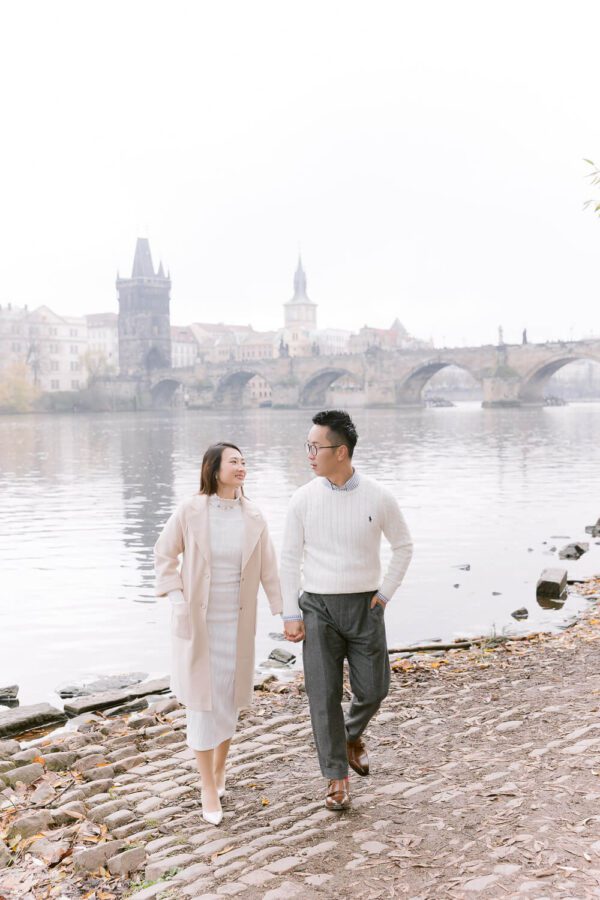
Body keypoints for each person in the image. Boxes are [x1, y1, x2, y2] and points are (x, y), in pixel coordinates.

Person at [280, 410, 413, 811]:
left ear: (340, 451)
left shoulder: (379, 496)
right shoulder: (302, 499)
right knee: (323, 696)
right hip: (317, 607)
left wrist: (385, 594)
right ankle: (336, 779)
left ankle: (350, 733)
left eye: (314, 447)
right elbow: (288, 559)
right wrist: (291, 612)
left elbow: (403, 547)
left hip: (365, 605)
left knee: (375, 688)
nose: (309, 454)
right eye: (307, 447)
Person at [154, 442, 282, 825]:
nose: (242, 467)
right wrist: (177, 599)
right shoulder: (191, 511)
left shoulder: (254, 516)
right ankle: (207, 786)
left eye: (244, 461)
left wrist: (285, 611)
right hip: (200, 624)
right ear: (213, 468)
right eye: (233, 462)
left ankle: (220, 769)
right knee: (202, 704)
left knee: (228, 698)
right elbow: (164, 555)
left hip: (237, 622)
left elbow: (269, 570)